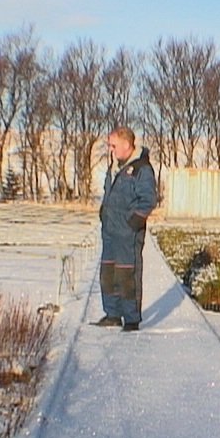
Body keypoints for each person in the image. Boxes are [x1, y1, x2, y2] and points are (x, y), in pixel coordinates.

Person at [93, 126, 158, 331]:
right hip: (110, 231)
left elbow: (148, 200)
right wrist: (104, 213)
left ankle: (131, 319)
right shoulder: (114, 168)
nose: (111, 150)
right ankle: (112, 314)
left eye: (114, 146)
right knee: (108, 273)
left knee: (127, 275)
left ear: (127, 145)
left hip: (127, 233)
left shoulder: (141, 169)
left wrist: (133, 223)